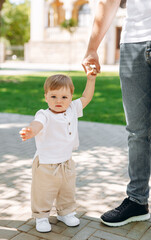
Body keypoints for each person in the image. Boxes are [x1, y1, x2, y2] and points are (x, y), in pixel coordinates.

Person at [82, 0, 151, 227]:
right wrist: (92, 48)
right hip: (132, 43)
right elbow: (108, 2)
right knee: (136, 131)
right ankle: (137, 200)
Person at [19, 68, 97, 233]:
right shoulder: (44, 114)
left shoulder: (72, 109)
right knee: (43, 192)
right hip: (46, 164)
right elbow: (37, 124)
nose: (58, 101)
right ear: (46, 96)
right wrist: (31, 131)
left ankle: (65, 212)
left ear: (70, 98)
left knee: (67, 190)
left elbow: (86, 97)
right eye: (53, 96)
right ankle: (41, 216)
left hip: (66, 161)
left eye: (64, 97)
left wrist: (91, 80)